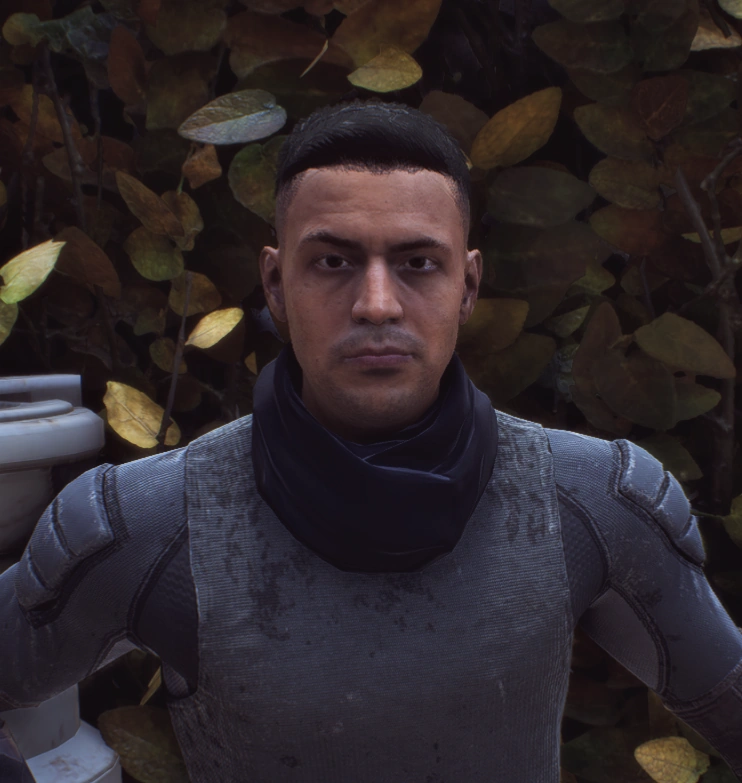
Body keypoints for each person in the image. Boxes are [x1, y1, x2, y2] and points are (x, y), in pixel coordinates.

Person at [1, 99, 741, 783]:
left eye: (418, 263)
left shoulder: (594, 503)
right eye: (333, 261)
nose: (377, 304)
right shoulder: (145, 521)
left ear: (468, 286)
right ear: (275, 283)